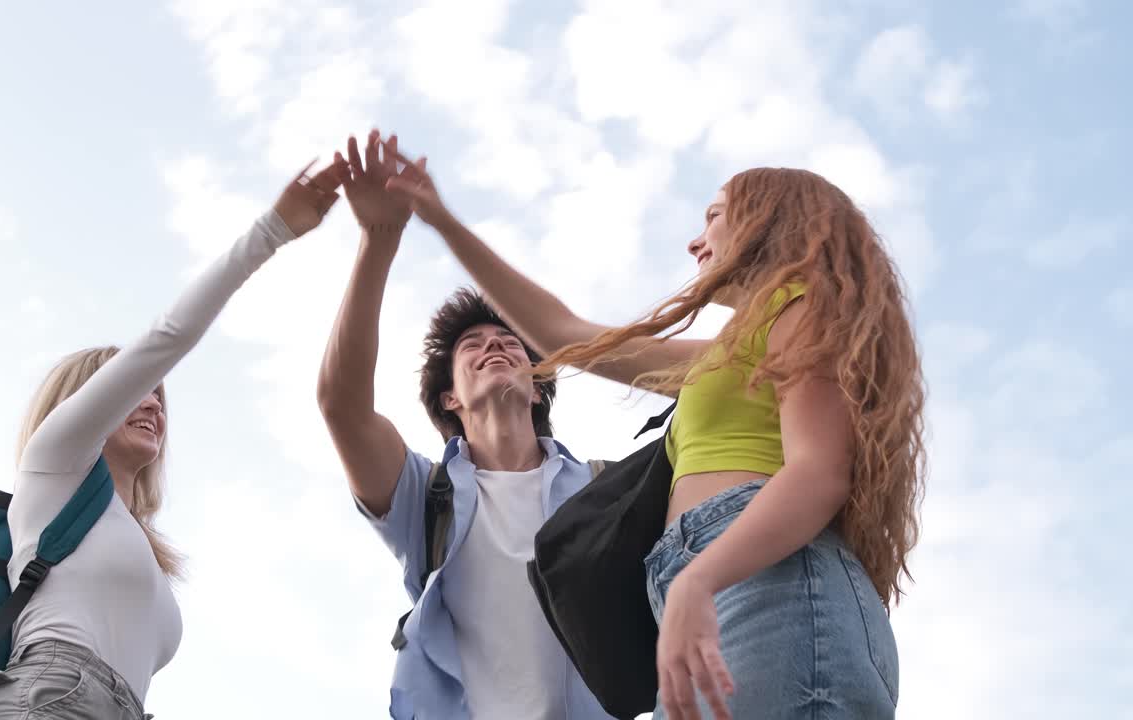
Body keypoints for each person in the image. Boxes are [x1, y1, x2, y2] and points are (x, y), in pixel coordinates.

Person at [385, 152, 925, 720]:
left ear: (769, 218)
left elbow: (819, 473)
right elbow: (562, 330)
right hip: (705, 598)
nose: (695, 244)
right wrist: (443, 221)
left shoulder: (802, 309)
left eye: (714, 214)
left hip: (764, 588)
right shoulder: (725, 355)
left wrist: (700, 578)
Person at [0, 160, 343, 719]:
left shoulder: (131, 535)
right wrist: (272, 230)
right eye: (138, 392)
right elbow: (170, 337)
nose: (153, 405)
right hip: (49, 696)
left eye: (161, 399)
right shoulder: (54, 467)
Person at [317, 130, 617, 720]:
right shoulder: (423, 498)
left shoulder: (604, 489)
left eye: (511, 343)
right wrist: (379, 241)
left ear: (538, 385)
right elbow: (341, 403)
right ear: (450, 398)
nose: (496, 347)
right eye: (473, 346)